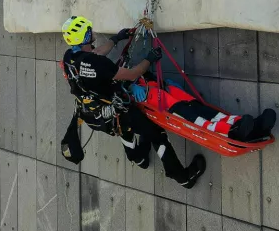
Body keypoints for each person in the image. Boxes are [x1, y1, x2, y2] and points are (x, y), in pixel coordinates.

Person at [60, 16, 206, 189]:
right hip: (117, 114)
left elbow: (94, 54)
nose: (92, 31)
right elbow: (132, 74)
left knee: (124, 129)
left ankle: (140, 158)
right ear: (84, 37)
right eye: (88, 30)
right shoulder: (98, 64)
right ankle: (182, 177)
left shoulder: (69, 57)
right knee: (155, 133)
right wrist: (149, 59)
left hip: (93, 115)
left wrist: (116, 39)